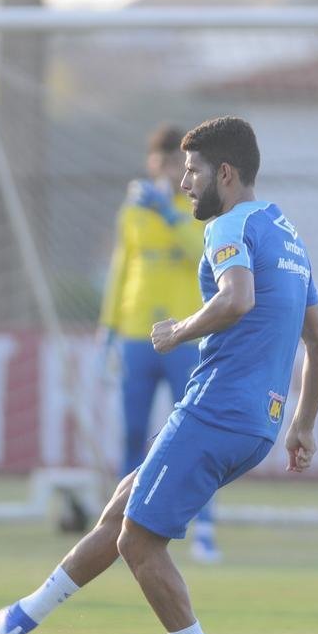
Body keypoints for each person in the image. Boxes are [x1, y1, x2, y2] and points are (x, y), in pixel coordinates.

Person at [0, 115, 318, 634]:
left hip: (215, 409)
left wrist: (179, 331)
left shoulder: (228, 225)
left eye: (194, 171)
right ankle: (27, 613)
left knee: (139, 543)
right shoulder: (285, 232)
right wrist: (302, 423)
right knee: (125, 505)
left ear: (225, 174)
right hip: (258, 423)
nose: (184, 183)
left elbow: (237, 299)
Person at [98, 123, 222, 563]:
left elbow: (201, 253)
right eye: (162, 161)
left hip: (185, 333)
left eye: (176, 163)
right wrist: (108, 330)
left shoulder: (196, 207)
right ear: (152, 163)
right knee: (133, 433)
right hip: (137, 333)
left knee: (194, 434)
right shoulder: (134, 211)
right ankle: (119, 529)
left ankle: (204, 529)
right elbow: (122, 269)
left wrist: (170, 214)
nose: (168, 170)